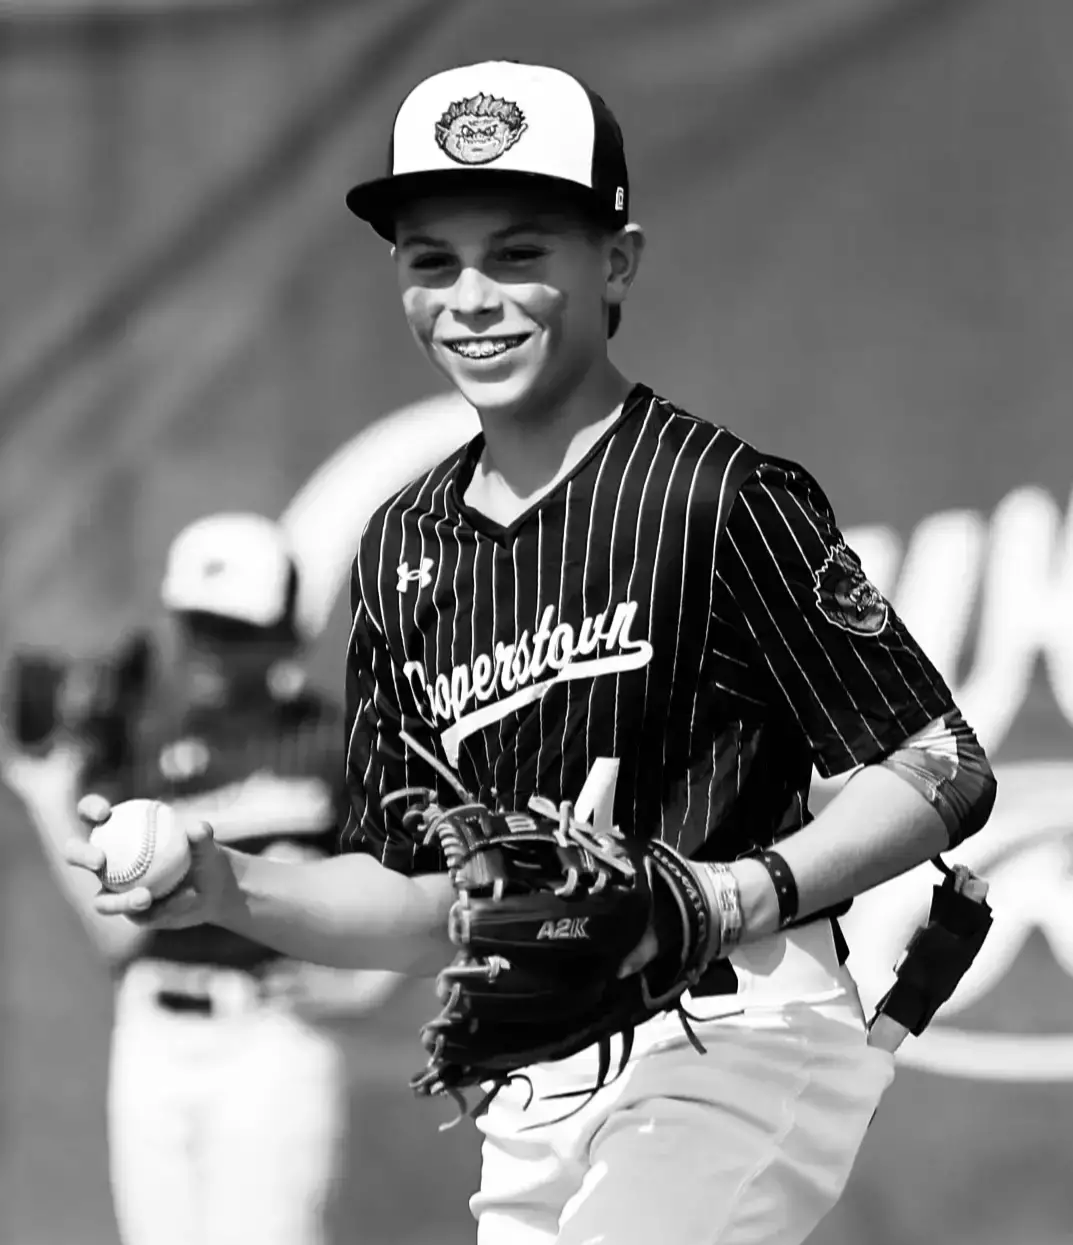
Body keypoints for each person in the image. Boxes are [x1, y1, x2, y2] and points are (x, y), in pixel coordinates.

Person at [66, 63, 998, 1245]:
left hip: (735, 1038)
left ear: (615, 262)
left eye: (517, 254)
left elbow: (937, 761)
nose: (470, 298)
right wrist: (222, 885)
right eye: (430, 260)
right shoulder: (403, 547)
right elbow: (418, 889)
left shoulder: (712, 496)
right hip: (541, 1076)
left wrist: (728, 894)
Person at [4, 512, 401, 1245]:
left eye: (235, 628)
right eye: (198, 623)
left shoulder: (332, 742)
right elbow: (119, 938)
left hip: (270, 1038)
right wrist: (52, 799)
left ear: (286, 634)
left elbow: (410, 878)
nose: (212, 646)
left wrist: (367, 984)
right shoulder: (142, 742)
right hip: (151, 1038)